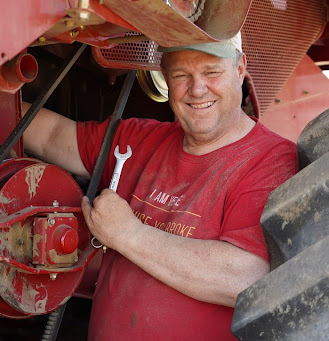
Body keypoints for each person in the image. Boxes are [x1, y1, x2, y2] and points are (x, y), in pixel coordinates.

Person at [23, 32, 298, 340]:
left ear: (240, 68)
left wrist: (126, 234)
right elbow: (51, 137)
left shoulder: (271, 158)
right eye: (182, 75)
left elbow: (244, 278)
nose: (197, 89)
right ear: (165, 78)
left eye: (211, 72)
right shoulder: (139, 140)